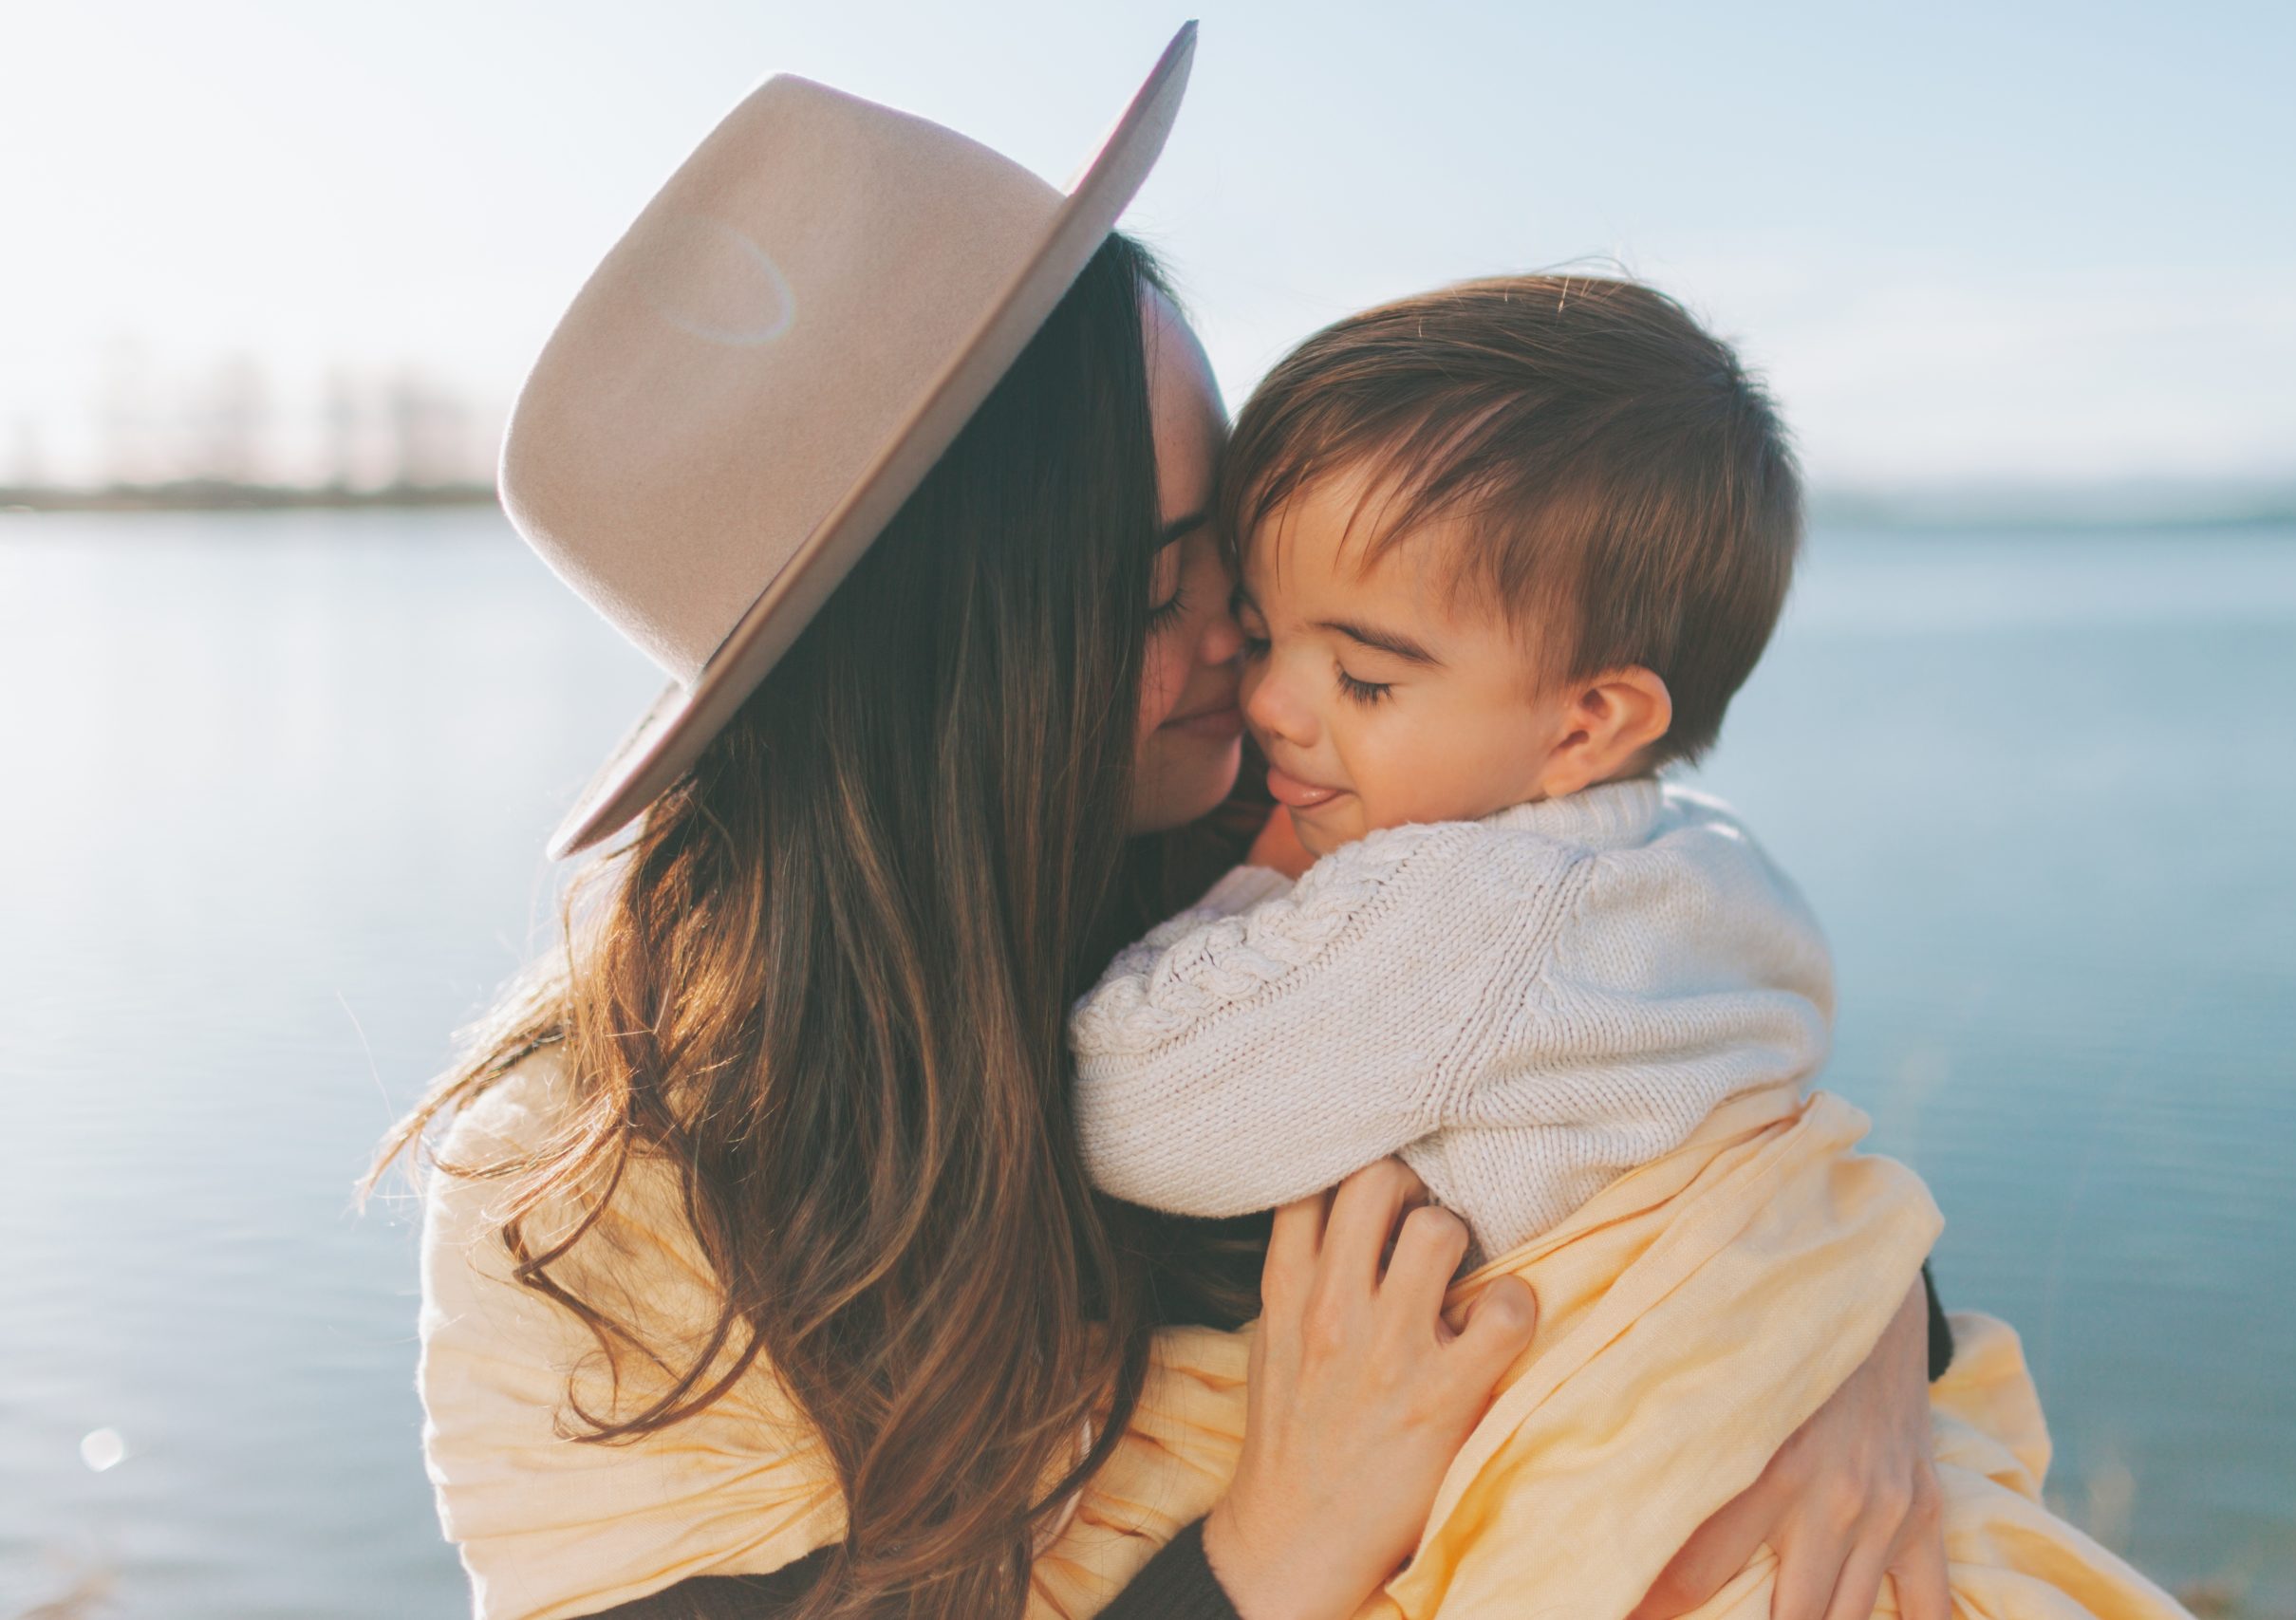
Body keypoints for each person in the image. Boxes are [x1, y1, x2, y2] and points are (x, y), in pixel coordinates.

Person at [382, 32, 1953, 1620]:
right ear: (936, 674)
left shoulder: (1291, 842)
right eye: (1159, 593)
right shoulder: (594, 1191)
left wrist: (1864, 1343)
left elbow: (1667, 1095)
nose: (1252, 658)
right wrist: (1268, 1555)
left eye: (1245, 570)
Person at [1067, 274, 2196, 1620]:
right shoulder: (1703, 863)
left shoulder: (1452, 912)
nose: (1266, 699)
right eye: (1265, 632)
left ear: (1591, 718)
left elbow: (1134, 1105)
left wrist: (1257, 888)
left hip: (1625, 1491)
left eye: (1362, 678)